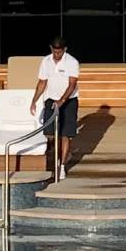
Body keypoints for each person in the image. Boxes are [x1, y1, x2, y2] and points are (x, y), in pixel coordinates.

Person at [32, 34, 81, 182]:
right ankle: (63, 154)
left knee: (65, 134)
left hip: (69, 100)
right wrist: (34, 100)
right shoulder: (46, 61)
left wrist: (62, 101)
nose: (57, 54)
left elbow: (72, 85)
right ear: (51, 49)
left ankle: (61, 165)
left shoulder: (72, 62)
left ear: (64, 49)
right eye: (55, 51)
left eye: (60, 52)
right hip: (51, 99)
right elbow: (42, 82)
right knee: (51, 133)